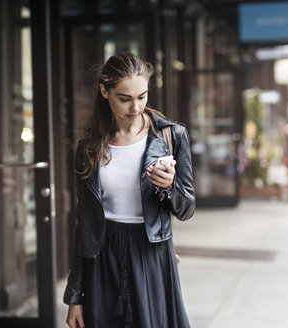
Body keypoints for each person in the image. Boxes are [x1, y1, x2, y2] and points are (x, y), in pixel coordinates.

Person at [64, 53, 196, 328]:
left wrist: (170, 186)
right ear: (104, 91)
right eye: (124, 98)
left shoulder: (171, 136)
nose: (135, 107)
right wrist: (75, 296)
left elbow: (187, 209)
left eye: (142, 96)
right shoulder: (89, 147)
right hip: (103, 254)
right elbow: (84, 221)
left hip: (151, 253)